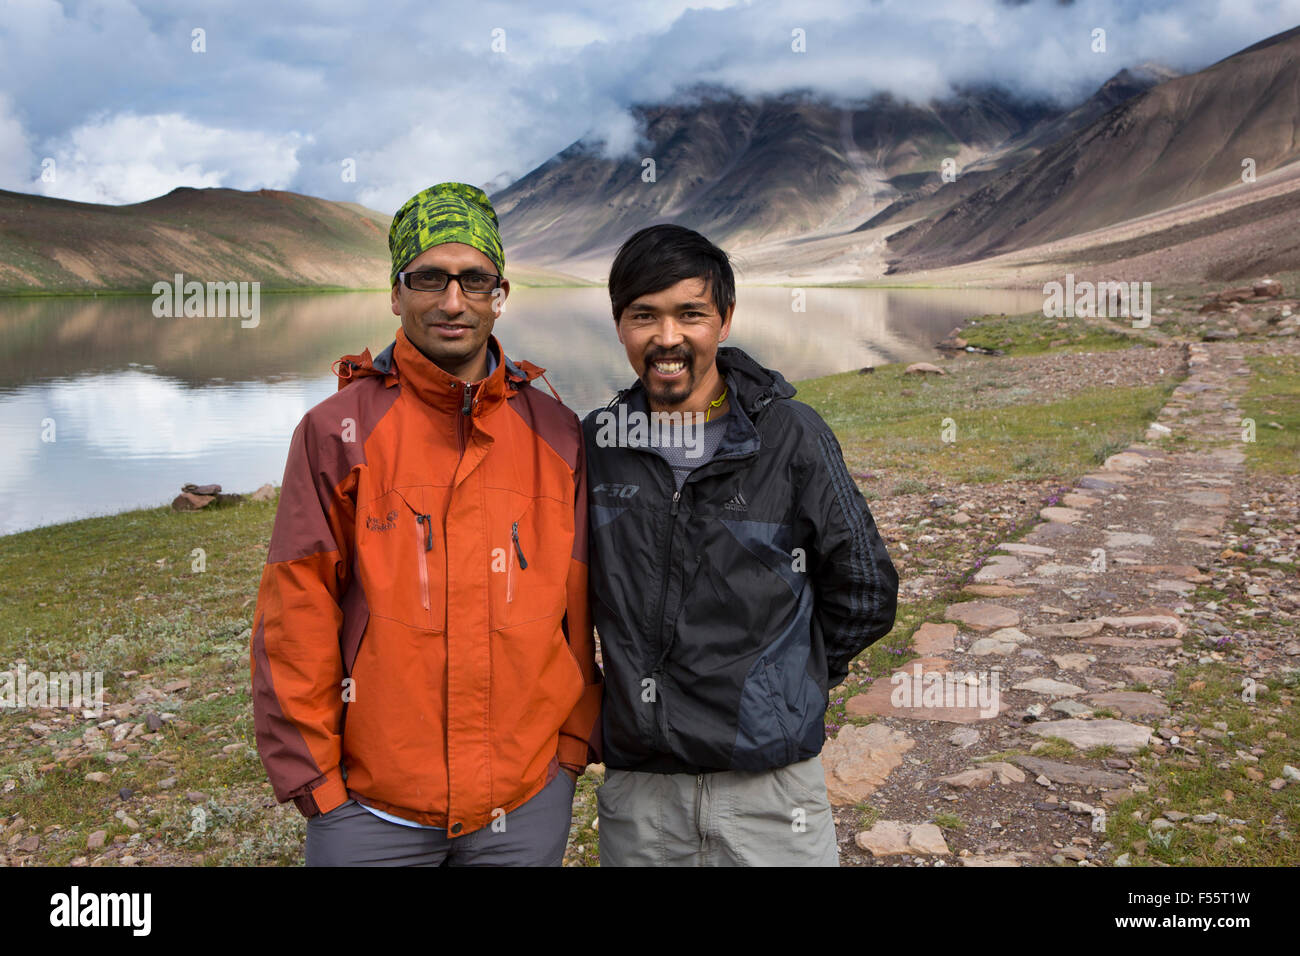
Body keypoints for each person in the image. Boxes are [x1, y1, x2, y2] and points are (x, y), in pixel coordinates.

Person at [250, 182, 601, 866]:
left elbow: (579, 605)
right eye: (429, 278)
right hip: (369, 809)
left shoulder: (558, 433)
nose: (452, 301)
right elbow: (296, 613)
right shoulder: (338, 431)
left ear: (499, 294)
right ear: (394, 292)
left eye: (475, 280)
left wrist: (570, 748)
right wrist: (316, 783)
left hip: (526, 802)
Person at [583, 224, 898, 866]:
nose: (667, 339)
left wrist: (793, 682)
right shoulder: (596, 445)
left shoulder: (791, 435)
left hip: (773, 792)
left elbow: (865, 589)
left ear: (724, 320)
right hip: (643, 795)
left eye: (689, 314)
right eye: (644, 315)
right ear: (619, 325)